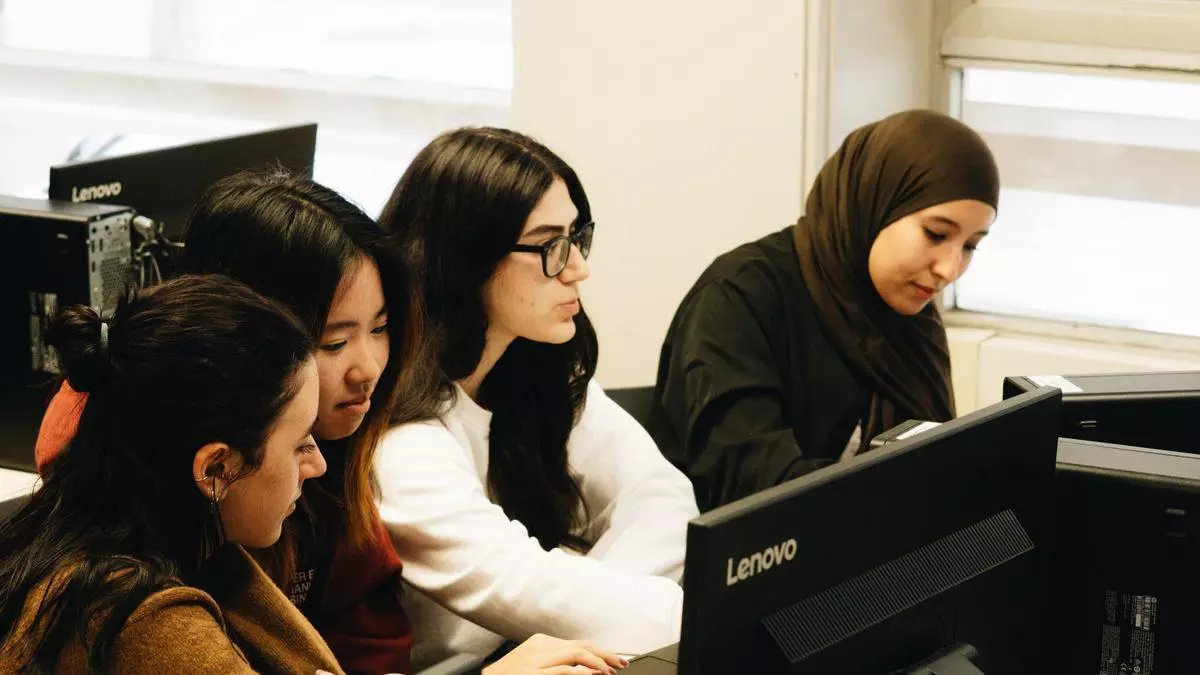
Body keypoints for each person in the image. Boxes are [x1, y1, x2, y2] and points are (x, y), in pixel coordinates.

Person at [0, 276, 631, 675]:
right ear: (216, 468)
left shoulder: (165, 545)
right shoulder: (146, 627)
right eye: (300, 442)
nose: (319, 463)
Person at [31, 170, 434, 673]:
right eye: (333, 342)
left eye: (380, 328)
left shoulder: (323, 451)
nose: (368, 368)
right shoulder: (145, 607)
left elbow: (369, 630)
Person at [375, 126, 699, 668]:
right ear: (466, 258)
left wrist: (587, 614)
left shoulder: (530, 368)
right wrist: (679, 615)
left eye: (576, 237)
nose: (578, 268)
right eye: (549, 246)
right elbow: (519, 580)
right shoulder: (402, 439)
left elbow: (659, 496)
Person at [647, 109, 1000, 512]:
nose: (949, 269)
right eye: (936, 234)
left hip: (861, 541)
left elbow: (935, 465)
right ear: (874, 202)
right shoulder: (737, 298)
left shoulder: (910, 319)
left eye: (970, 246)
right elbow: (756, 491)